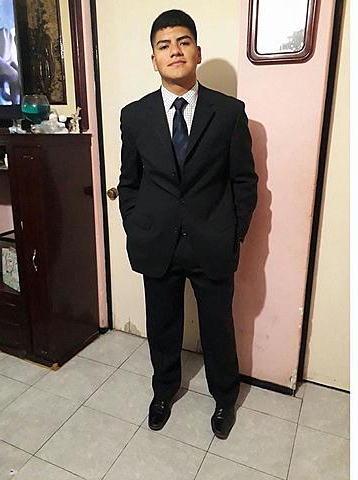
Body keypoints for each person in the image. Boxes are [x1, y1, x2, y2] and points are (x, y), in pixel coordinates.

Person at [118, 9, 258, 440]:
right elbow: (129, 181)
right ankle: (163, 391)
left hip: (212, 240)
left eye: (183, 42)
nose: (174, 51)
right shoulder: (135, 116)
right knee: (162, 325)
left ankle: (224, 398)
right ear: (154, 59)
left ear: (197, 52)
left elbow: (244, 181)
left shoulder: (229, 113)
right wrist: (136, 225)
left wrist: (234, 233)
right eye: (164, 45)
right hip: (156, 240)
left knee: (218, 327)